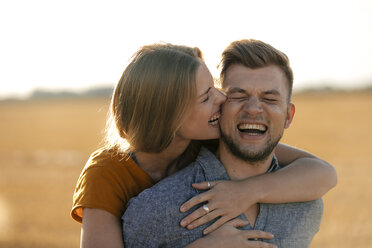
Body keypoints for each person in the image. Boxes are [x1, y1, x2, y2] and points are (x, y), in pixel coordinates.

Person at [71, 42, 337, 248]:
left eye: (215, 88)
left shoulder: (209, 139)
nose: (222, 98)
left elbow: (323, 172)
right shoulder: (105, 173)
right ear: (171, 115)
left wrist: (246, 192)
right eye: (206, 96)